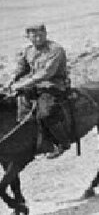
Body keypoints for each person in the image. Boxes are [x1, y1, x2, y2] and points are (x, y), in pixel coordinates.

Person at [6, 24, 71, 158]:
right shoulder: (28, 50)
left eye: (41, 35)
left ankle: (62, 143)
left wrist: (23, 84)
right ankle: (33, 141)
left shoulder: (55, 49)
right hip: (33, 85)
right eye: (34, 36)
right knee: (19, 110)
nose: (38, 38)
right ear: (28, 37)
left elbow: (47, 73)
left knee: (45, 113)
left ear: (46, 34)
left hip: (53, 84)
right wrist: (11, 82)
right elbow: (21, 69)